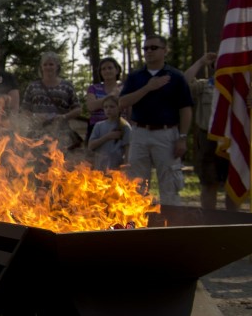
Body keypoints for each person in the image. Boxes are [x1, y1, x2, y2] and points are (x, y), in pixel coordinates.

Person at [118, 35, 194, 206]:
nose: (149, 51)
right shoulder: (136, 77)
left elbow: (186, 109)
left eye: (154, 48)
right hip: (139, 134)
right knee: (136, 184)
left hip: (167, 134)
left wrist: (182, 137)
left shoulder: (176, 77)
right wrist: (148, 87)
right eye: (146, 48)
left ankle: (172, 226)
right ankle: (136, 226)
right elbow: (122, 102)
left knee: (169, 183)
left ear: (164, 51)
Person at [184, 51, 234, 210]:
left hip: (233, 140)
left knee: (232, 186)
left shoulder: (242, 88)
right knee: (208, 183)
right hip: (208, 139)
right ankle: (209, 222)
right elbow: (183, 83)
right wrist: (200, 62)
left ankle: (234, 223)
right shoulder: (205, 85)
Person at [21, 51, 81, 149]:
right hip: (37, 134)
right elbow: (24, 110)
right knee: (38, 162)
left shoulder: (67, 86)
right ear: (41, 67)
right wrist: (34, 116)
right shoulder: (33, 86)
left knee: (60, 162)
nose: (48, 67)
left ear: (57, 66)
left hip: (61, 134)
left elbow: (78, 109)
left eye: (51, 64)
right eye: (45, 64)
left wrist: (64, 116)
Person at [87, 95, 132, 171]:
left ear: (119, 108)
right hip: (100, 168)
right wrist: (107, 137)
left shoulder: (124, 126)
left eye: (112, 107)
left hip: (116, 168)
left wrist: (125, 165)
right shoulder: (98, 126)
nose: (108, 109)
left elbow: (128, 148)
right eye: (105, 107)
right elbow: (91, 146)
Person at [85, 57, 123, 141]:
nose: (107, 71)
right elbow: (91, 106)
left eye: (110, 68)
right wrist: (111, 95)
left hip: (119, 127)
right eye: (103, 69)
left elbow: (128, 108)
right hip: (96, 128)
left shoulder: (124, 88)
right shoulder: (93, 88)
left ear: (117, 70)